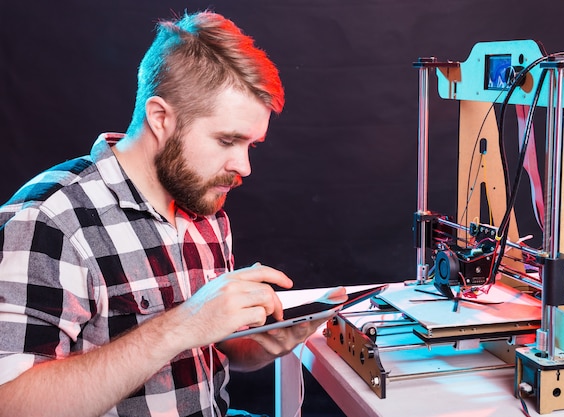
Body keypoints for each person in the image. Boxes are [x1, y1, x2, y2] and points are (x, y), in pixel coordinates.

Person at [0, 10, 345, 417]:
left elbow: (215, 349)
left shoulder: (202, 201)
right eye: (227, 140)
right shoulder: (48, 220)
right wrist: (182, 324)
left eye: (250, 145)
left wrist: (261, 342)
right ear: (160, 118)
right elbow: (12, 402)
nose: (244, 167)